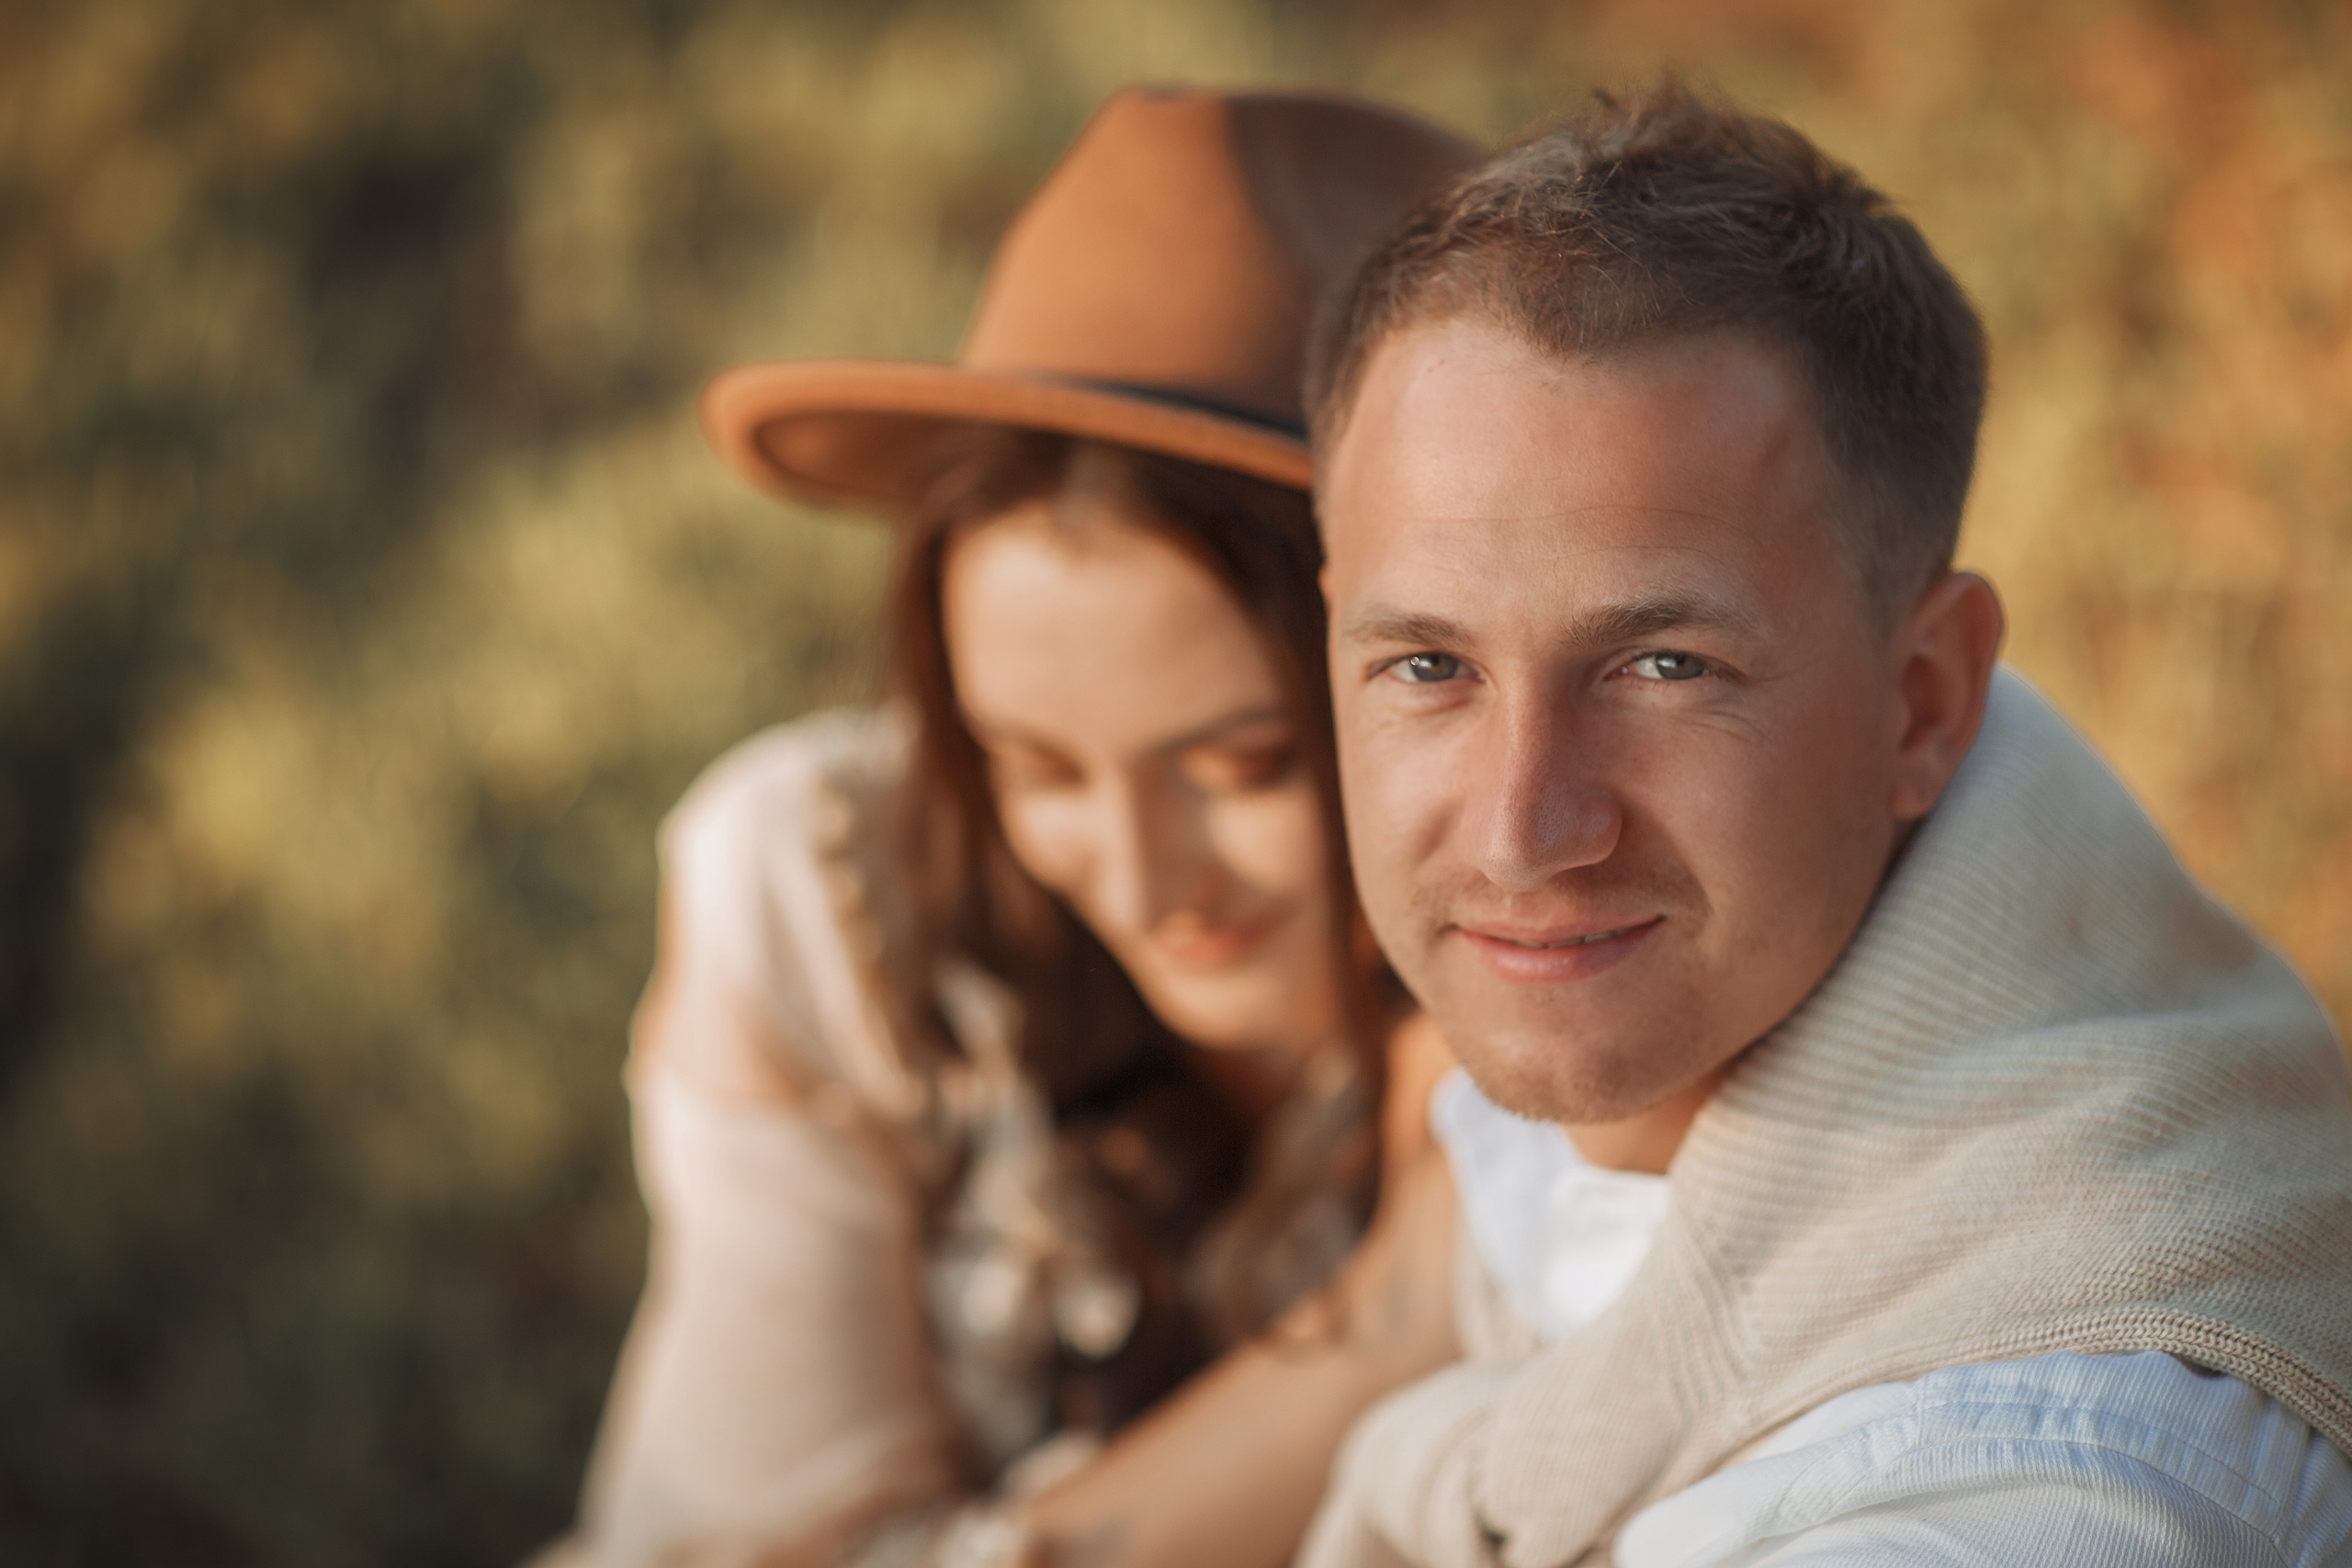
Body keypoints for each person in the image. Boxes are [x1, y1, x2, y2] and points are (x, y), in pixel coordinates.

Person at [1295, 83, 2352, 1566]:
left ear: (1923, 702)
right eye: (1429, 666)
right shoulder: (1610, 1075)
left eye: (1666, 668)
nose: (1525, 832)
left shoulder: (2036, 1482)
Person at [538, 89, 1476, 1568]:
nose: (1148, 879)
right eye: (1034, 767)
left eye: (1245, 766)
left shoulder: (1576, 988)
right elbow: (731, 1546)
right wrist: (1381, 1344)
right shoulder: (826, 886)